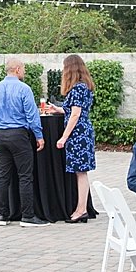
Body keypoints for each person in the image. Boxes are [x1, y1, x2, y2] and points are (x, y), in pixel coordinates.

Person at [0, 57, 45, 226]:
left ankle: (2, 215)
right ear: (17, 69)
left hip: (2, 135)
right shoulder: (24, 89)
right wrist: (39, 136)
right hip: (19, 135)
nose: (24, 72)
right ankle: (27, 215)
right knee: (25, 176)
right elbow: (32, 115)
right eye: (23, 68)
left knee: (3, 176)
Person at [55, 54, 97, 222]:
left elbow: (76, 114)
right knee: (80, 171)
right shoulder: (84, 86)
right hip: (82, 132)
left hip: (78, 134)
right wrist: (59, 110)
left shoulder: (78, 88)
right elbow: (75, 110)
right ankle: (81, 208)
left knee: (80, 172)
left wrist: (63, 137)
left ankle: (81, 209)